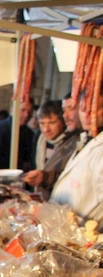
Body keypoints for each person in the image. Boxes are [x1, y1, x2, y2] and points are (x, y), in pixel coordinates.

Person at [50, 87, 103, 230]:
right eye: (82, 108)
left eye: (94, 108)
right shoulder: (87, 140)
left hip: (84, 237)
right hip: (61, 231)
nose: (86, 114)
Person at [22, 100, 80, 200]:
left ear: (63, 122)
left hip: (61, 198)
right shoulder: (39, 138)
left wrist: (45, 178)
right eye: (42, 123)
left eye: (52, 123)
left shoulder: (73, 143)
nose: (46, 129)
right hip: (39, 197)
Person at [0, 97, 35, 171]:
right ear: (13, 110)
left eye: (30, 111)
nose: (26, 115)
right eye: (23, 110)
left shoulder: (30, 134)